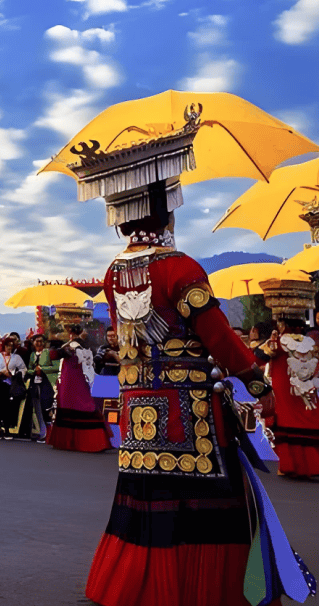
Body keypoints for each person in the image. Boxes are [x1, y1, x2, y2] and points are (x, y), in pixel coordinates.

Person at [64, 114, 314, 606]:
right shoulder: (181, 267)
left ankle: (135, 583)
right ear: (164, 212)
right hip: (191, 404)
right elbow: (219, 337)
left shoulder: (115, 272)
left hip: (141, 402)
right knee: (205, 494)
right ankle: (202, 587)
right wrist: (257, 385)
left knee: (145, 492)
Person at [258, 317, 319, 479]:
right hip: (305, 388)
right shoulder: (311, 341)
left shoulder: (277, 342)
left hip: (285, 390)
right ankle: (310, 466)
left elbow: (257, 356)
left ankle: (290, 465)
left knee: (287, 422)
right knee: (305, 422)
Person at [45, 324, 112, 452]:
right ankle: (95, 441)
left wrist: (58, 346)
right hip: (83, 380)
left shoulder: (71, 346)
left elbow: (53, 355)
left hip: (71, 383)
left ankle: (69, 442)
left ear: (71, 334)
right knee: (87, 406)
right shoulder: (86, 346)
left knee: (72, 408)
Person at [18, 333, 56, 441]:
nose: (39, 343)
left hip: (47, 383)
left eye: (41, 341)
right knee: (37, 408)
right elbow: (29, 369)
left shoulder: (49, 353)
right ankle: (43, 433)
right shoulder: (32, 355)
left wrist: (42, 369)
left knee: (47, 408)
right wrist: (34, 371)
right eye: (36, 341)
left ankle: (50, 433)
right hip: (35, 384)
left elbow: (56, 367)